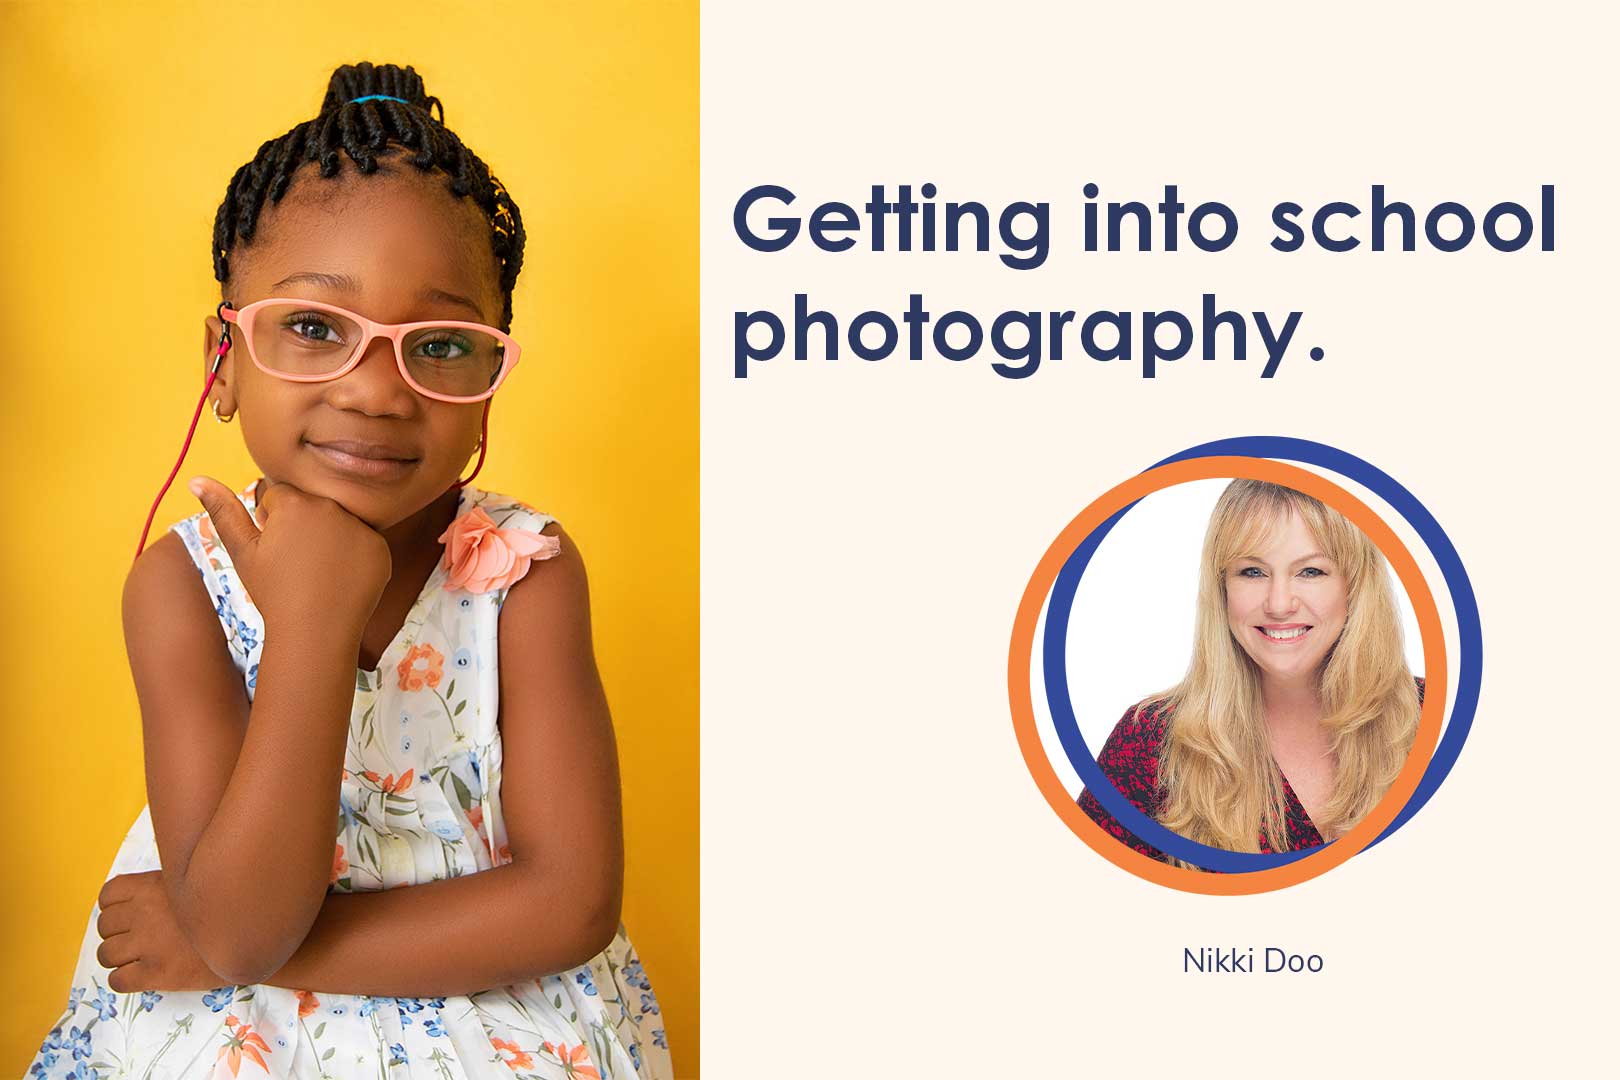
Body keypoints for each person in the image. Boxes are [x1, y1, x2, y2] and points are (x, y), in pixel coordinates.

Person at [25, 62, 672, 1078]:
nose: (375, 392)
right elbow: (243, 921)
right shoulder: (179, 587)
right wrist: (314, 620)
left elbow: (570, 902)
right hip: (237, 1035)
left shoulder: (525, 575)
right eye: (317, 329)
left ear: (491, 392)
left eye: (444, 345)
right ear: (222, 364)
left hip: (493, 1020)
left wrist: (245, 953)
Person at [1078, 479, 1422, 866]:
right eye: (1253, 572)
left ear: (1355, 586)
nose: (1278, 604)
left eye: (1310, 571)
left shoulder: (1435, 719)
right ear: (1222, 586)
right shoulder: (1151, 742)